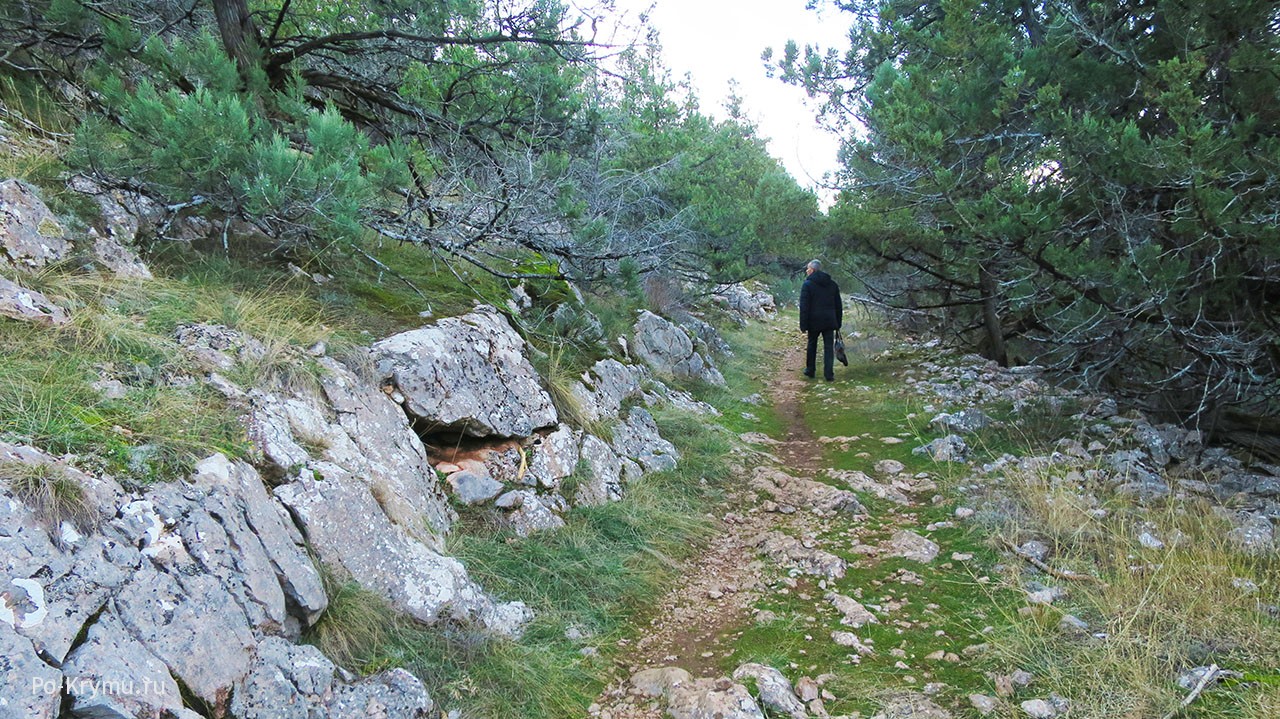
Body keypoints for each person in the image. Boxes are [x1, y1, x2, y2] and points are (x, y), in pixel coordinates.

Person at [799, 259, 842, 381]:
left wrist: (803, 324)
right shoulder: (832, 284)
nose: (807, 271)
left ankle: (810, 370)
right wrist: (838, 323)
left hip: (814, 321)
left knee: (812, 344)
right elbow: (838, 306)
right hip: (829, 320)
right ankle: (829, 374)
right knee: (828, 347)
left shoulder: (807, 284)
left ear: (812, 270)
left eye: (808, 268)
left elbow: (804, 307)